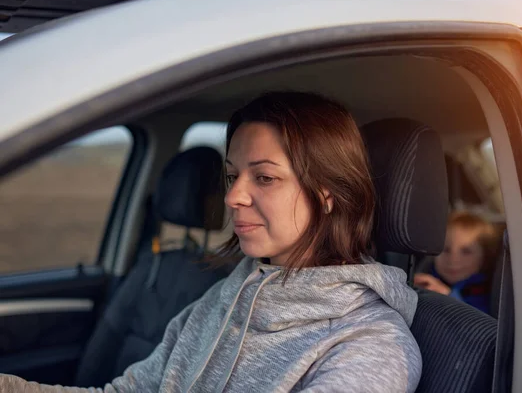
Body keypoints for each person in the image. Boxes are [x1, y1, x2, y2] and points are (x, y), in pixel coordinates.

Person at [1, 92, 422, 392]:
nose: (232, 196)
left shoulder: (370, 346)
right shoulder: (224, 298)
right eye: (231, 174)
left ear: (328, 194)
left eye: (265, 177)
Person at [414, 211, 500, 314]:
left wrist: (448, 296)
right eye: (445, 250)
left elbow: (480, 326)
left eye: (466, 252)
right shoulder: (426, 277)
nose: (453, 260)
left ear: (485, 256)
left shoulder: (486, 292)